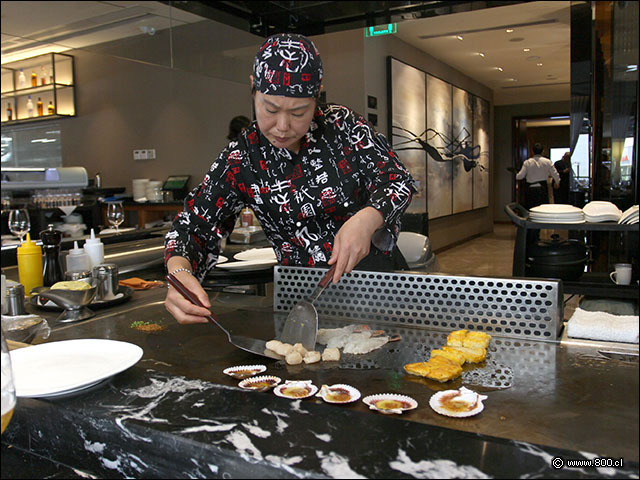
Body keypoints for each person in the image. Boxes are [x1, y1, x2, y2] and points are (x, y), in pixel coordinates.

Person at [164, 33, 416, 324]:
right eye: (270, 109)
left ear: (317, 95)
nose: (282, 127)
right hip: (301, 298)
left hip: (378, 286)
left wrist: (368, 218)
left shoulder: (344, 126)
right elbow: (193, 227)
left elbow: (398, 180)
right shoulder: (241, 157)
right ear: (252, 89)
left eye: (299, 112)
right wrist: (180, 274)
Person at [515, 142, 560, 210]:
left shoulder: (527, 162)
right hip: (543, 189)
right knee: (543, 210)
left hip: (531, 189)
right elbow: (555, 174)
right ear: (543, 151)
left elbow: (520, 176)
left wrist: (516, 174)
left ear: (532, 152)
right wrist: (557, 182)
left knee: (531, 210)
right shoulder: (547, 162)